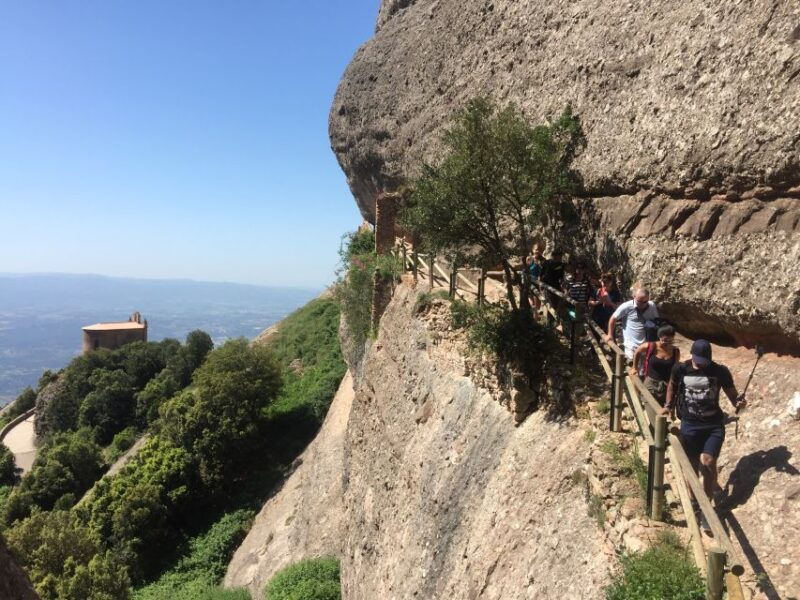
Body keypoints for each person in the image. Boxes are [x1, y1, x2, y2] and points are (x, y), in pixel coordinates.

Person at [661, 339, 746, 529]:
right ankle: (694, 502)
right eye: (698, 360)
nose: (700, 364)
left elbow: (733, 396)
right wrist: (668, 406)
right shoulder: (681, 369)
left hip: (713, 425)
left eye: (704, 361)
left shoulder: (720, 371)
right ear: (692, 355)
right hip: (689, 425)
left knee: (708, 463)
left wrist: (739, 402)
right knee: (691, 467)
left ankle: (707, 509)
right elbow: (672, 386)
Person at [604, 286, 659, 361]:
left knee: (645, 366)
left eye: (644, 302)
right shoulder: (626, 306)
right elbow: (613, 318)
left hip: (647, 345)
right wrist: (610, 334)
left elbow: (656, 320)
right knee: (632, 366)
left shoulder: (651, 305)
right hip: (631, 346)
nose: (642, 304)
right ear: (634, 297)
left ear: (648, 298)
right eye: (639, 301)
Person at [630, 325, 680, 405]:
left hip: (667, 386)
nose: (667, 343)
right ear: (660, 337)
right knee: (651, 407)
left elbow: (676, 367)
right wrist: (634, 367)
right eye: (665, 340)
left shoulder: (675, 351)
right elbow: (637, 351)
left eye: (670, 341)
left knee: (663, 409)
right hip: (651, 383)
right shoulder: (651, 346)